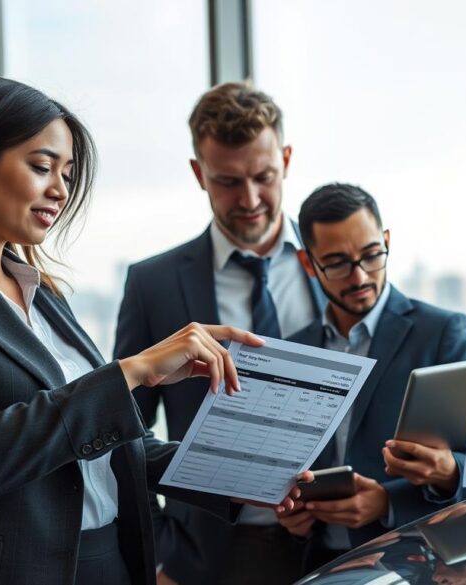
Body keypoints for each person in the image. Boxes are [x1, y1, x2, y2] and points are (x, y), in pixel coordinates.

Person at [0, 75, 306, 585]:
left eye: (68, 172)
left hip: (107, 564)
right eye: (42, 167)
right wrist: (132, 372)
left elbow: (104, 447)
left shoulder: (46, 296)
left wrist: (234, 478)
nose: (60, 190)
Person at [114, 82, 324, 585]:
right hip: (200, 560)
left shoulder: (336, 265)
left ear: (287, 159)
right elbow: (124, 436)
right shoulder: (153, 284)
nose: (249, 199)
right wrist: (158, 556)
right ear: (198, 173)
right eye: (228, 181)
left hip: (332, 545)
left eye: (264, 177)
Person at [277, 183, 466, 570]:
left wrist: (390, 502)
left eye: (372, 255)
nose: (359, 277)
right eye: (337, 263)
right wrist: (293, 516)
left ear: (386, 240)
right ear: (309, 264)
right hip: (317, 567)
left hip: (418, 565)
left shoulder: (442, 332)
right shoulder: (293, 352)